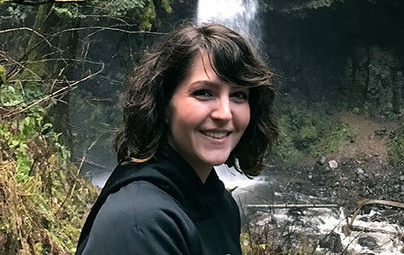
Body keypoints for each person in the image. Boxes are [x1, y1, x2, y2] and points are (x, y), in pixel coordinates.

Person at [75, 23, 279, 255]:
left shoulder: (220, 203)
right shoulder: (139, 221)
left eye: (238, 95)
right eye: (203, 92)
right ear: (163, 105)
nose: (224, 113)